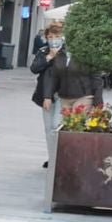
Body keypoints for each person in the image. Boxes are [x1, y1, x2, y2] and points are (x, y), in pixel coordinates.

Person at [30, 21, 67, 168]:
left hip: (63, 94)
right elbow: (35, 68)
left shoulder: (67, 52)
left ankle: (59, 158)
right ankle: (52, 157)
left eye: (57, 35)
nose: (53, 39)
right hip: (45, 95)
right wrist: (49, 57)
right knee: (48, 129)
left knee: (56, 126)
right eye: (50, 36)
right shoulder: (43, 51)